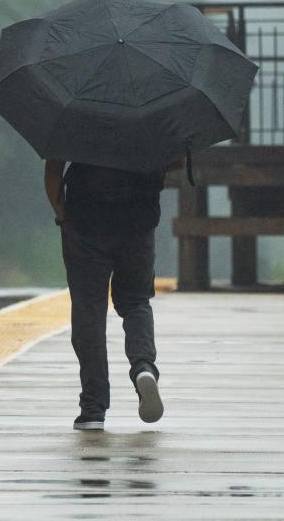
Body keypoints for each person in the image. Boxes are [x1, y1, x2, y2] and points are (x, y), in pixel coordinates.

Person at [44, 159, 171, 429]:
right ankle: (143, 368)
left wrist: (62, 215)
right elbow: (177, 162)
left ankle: (93, 408)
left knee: (88, 311)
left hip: (85, 220)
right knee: (136, 302)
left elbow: (53, 171)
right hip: (138, 218)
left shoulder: (74, 117)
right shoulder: (147, 116)